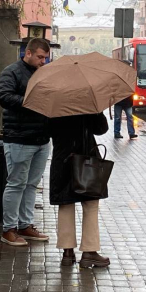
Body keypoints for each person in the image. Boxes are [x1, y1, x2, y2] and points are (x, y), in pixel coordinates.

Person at [0, 37, 51, 246]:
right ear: (27, 53)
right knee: (16, 184)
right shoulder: (11, 72)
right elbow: (4, 97)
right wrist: (32, 101)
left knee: (31, 185)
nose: (43, 61)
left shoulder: (43, 74)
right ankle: (8, 229)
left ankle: (25, 225)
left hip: (41, 139)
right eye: (40, 57)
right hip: (19, 138)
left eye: (45, 58)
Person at [49, 112, 111, 268]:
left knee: (65, 203)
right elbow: (101, 128)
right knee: (90, 204)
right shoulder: (87, 101)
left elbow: (46, 130)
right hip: (85, 158)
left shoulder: (53, 100)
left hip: (62, 157)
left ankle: (67, 252)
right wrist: (97, 112)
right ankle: (89, 252)